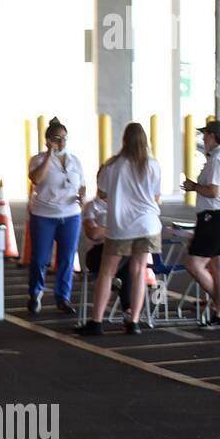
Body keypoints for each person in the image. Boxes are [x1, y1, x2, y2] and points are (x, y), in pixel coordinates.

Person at [76, 122, 161, 336]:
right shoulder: (152, 165)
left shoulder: (112, 166)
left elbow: (102, 195)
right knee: (139, 271)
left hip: (120, 226)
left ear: (124, 140)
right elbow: (156, 197)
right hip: (148, 224)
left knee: (107, 272)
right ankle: (133, 321)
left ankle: (96, 322)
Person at [182, 120, 220, 329]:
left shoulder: (218, 159)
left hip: (216, 217)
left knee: (193, 264)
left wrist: (193, 186)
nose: (203, 139)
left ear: (212, 136)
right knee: (218, 265)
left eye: (205, 134)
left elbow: (214, 191)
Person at [26, 117, 85, 314]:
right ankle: (35, 292)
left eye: (64, 138)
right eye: (57, 139)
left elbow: (82, 184)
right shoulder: (38, 160)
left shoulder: (75, 161)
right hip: (44, 214)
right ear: (48, 140)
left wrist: (82, 195)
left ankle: (63, 297)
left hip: (70, 214)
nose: (61, 143)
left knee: (66, 258)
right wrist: (50, 154)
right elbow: (36, 179)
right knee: (40, 258)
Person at [80, 196, 132, 310]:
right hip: (96, 253)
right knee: (125, 255)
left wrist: (104, 229)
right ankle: (127, 308)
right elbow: (94, 234)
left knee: (127, 255)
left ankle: (128, 309)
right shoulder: (92, 206)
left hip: (119, 250)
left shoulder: (121, 205)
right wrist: (117, 228)